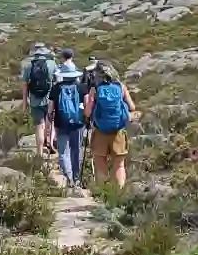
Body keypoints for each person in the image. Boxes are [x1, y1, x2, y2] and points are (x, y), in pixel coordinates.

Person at [83, 60, 138, 189]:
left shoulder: (95, 89)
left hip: (100, 131)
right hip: (118, 131)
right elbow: (132, 107)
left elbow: (88, 112)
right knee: (119, 165)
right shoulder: (120, 86)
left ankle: (103, 193)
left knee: (100, 163)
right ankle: (118, 193)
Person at [50, 47, 88, 188]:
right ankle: (77, 177)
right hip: (78, 122)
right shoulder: (82, 87)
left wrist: (50, 118)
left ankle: (68, 177)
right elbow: (86, 105)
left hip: (61, 122)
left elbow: (50, 108)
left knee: (63, 151)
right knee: (76, 149)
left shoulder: (56, 88)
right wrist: (86, 118)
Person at [22, 44, 59, 155]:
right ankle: (50, 143)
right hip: (49, 99)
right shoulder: (52, 64)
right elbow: (57, 82)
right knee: (51, 121)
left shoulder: (28, 66)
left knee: (39, 125)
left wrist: (25, 102)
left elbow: (24, 85)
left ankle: (39, 152)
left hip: (34, 99)